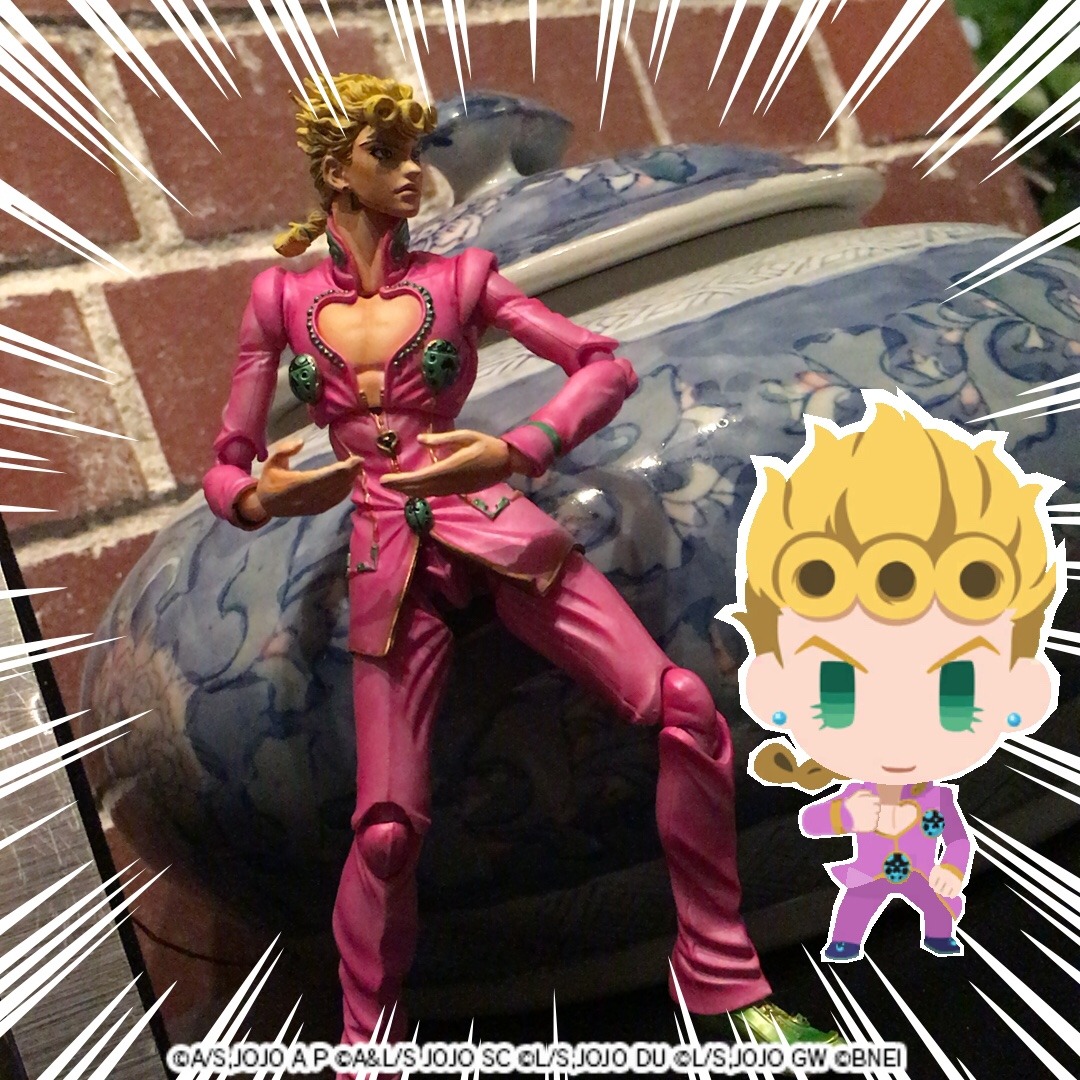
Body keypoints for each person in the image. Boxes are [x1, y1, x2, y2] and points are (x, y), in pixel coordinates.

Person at [203, 72, 835, 1070]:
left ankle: (724, 982)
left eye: (416, 153)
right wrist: (263, 497)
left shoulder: (462, 279)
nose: (411, 173)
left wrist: (518, 446)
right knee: (384, 833)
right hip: (380, 556)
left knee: (684, 710)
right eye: (386, 155)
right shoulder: (278, 301)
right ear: (336, 172)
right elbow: (227, 462)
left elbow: (603, 364)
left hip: (494, 524)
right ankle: (366, 1049)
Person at [720, 390, 1063, 962]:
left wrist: (954, 871)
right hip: (866, 877)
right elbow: (813, 822)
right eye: (839, 692)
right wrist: (848, 813)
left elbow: (958, 842)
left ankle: (939, 935)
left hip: (928, 881)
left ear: (1024, 689)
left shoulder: (940, 799)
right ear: (771, 683)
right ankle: (846, 942)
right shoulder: (857, 791)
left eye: (955, 694)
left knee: (936, 908)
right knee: (856, 907)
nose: (900, 732)